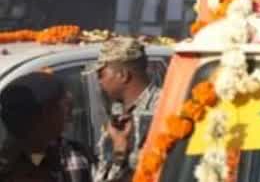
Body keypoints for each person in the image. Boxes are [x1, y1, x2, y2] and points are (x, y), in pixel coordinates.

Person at [0, 71, 93, 182]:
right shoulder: (9, 165)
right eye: (63, 105)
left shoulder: (73, 155)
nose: (68, 112)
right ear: (47, 112)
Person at [88, 38, 160, 182]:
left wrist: (121, 152)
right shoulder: (116, 111)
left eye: (101, 75)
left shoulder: (162, 108)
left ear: (122, 75)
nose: (100, 82)